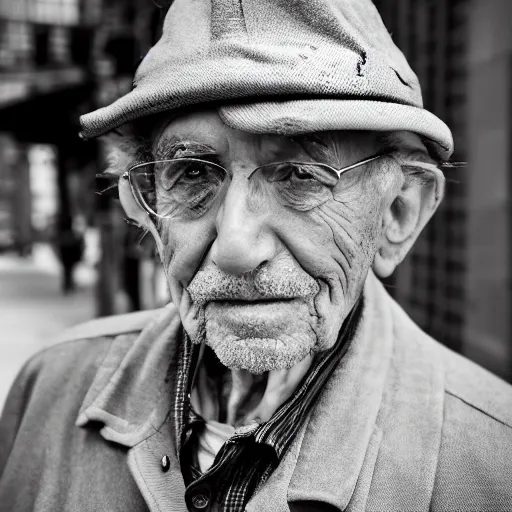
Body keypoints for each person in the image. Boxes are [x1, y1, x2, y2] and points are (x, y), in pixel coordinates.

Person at [1, 1, 511, 511]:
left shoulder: (494, 461)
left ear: (398, 212)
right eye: (194, 174)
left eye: (300, 173)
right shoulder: (46, 394)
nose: (235, 247)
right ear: (146, 209)